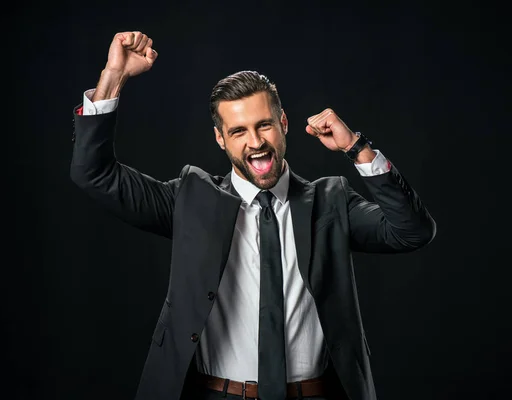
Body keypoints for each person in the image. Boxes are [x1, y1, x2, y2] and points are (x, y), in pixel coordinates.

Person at [69, 30, 436, 400]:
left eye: (264, 125)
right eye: (239, 131)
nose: (256, 142)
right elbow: (94, 174)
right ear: (220, 139)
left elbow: (412, 232)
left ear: (284, 124)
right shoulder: (190, 199)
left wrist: (357, 148)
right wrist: (114, 76)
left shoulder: (331, 202)